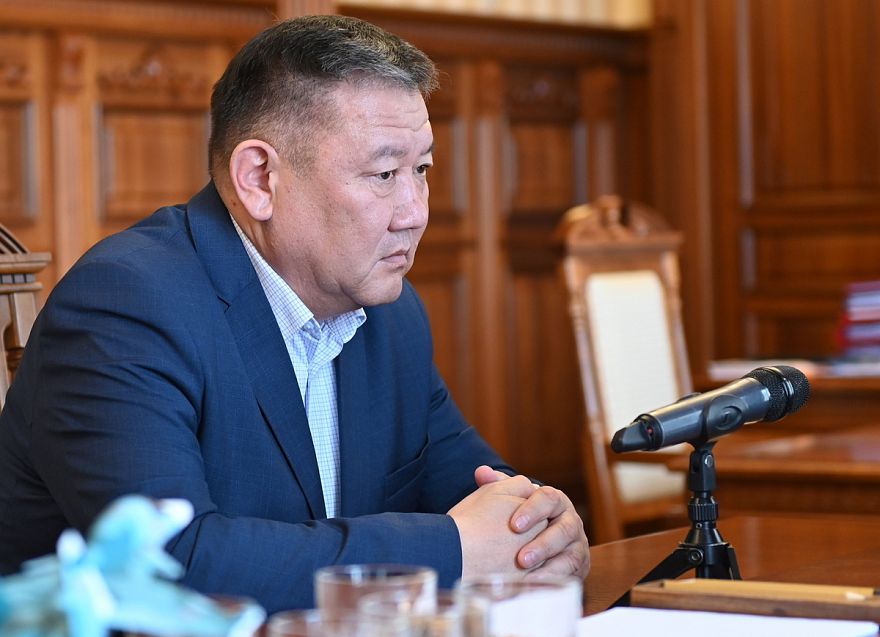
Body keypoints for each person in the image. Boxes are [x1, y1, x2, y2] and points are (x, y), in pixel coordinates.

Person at [0, 15, 589, 612]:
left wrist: (540, 526)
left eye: (422, 170)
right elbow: (169, 570)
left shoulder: (389, 312)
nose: (415, 212)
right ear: (259, 179)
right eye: (384, 174)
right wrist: (453, 550)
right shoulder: (125, 303)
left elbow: (478, 492)